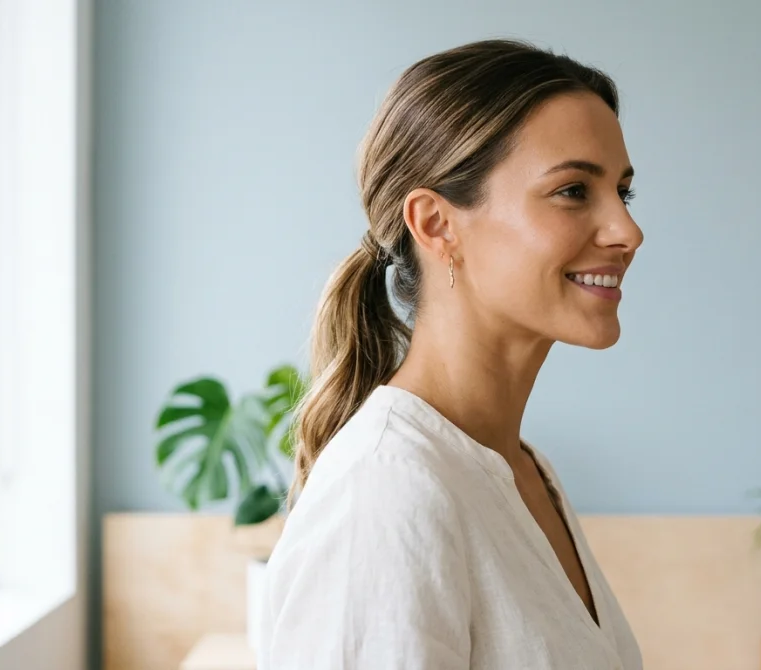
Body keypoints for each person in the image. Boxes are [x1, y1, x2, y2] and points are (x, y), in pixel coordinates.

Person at [258, 38, 645, 669]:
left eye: (622, 193)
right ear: (437, 224)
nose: (627, 231)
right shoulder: (387, 492)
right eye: (574, 190)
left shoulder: (521, 472)